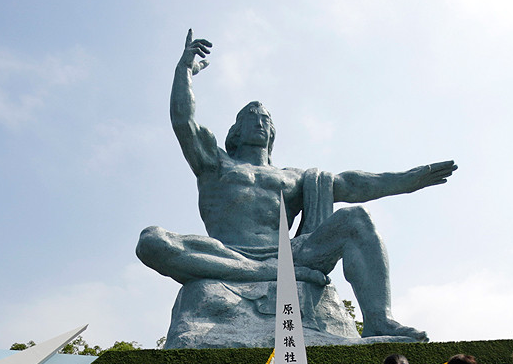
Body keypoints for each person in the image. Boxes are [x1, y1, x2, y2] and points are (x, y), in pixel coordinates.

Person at [136, 30, 457, 341]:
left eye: (266, 118)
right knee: (151, 241)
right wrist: (184, 72)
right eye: (251, 115)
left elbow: (352, 184)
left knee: (357, 219)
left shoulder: (293, 178)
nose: (260, 121)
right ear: (234, 131)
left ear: (272, 132)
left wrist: (406, 181)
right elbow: (184, 122)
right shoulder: (215, 164)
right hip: (228, 253)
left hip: (292, 254)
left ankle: (378, 320)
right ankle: (265, 274)